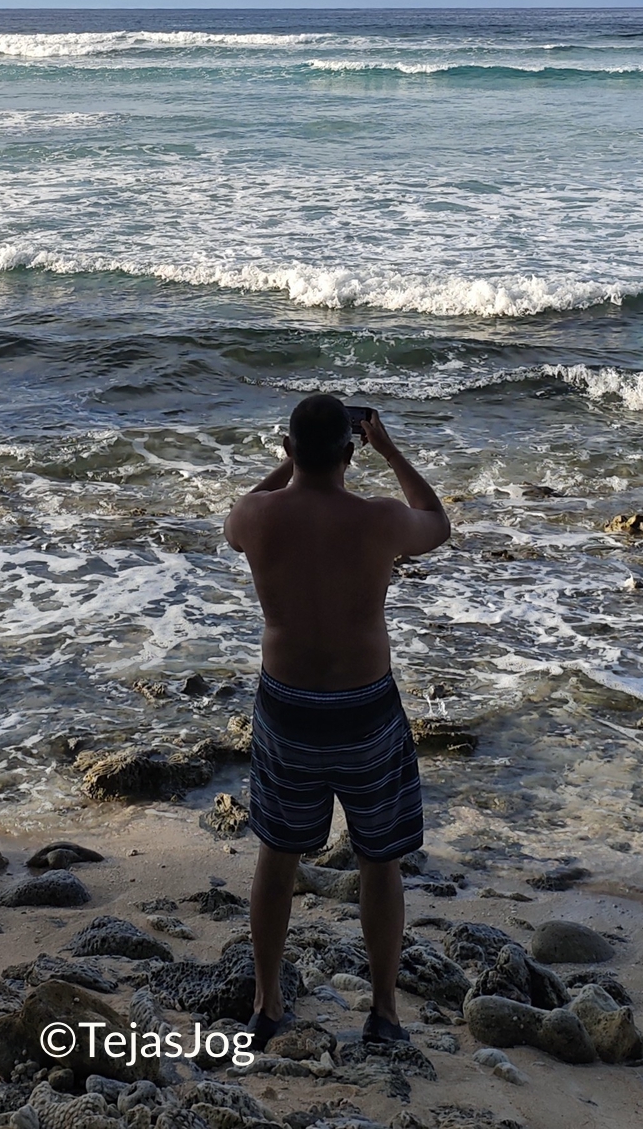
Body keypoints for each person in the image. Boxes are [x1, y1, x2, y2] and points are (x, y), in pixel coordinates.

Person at [222, 391, 451, 1047]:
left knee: (279, 853)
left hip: (288, 708)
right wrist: (390, 450)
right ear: (351, 453)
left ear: (289, 450)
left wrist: (285, 469)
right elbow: (435, 520)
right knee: (379, 861)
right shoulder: (378, 519)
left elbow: (239, 515)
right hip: (366, 709)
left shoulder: (255, 518)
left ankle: (267, 1005)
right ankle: (383, 1013)